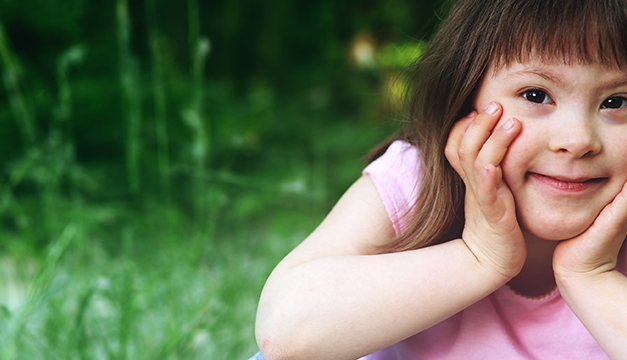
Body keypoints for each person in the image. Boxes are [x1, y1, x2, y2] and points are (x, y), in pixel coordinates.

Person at [251, 0, 627, 358]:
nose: (577, 140)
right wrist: (480, 257)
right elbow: (286, 335)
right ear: (467, 97)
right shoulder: (418, 180)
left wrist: (589, 276)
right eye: (535, 94)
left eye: (618, 102)